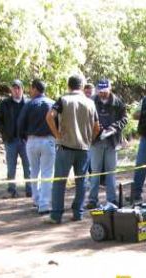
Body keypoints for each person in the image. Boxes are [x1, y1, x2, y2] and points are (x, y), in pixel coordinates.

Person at [45, 74, 99, 223]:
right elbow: (97, 126)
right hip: (84, 148)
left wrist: (57, 134)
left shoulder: (63, 100)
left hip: (65, 146)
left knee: (59, 181)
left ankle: (56, 215)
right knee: (81, 182)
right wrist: (90, 140)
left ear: (69, 86)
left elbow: (49, 116)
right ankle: (78, 213)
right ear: (82, 87)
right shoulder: (90, 103)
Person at [86, 79, 127, 209]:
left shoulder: (118, 102)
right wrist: (96, 127)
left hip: (112, 141)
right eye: (100, 91)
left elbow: (124, 119)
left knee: (111, 172)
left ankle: (111, 199)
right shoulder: (92, 101)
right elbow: (87, 118)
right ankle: (92, 199)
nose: (102, 94)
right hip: (96, 141)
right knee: (95, 172)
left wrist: (114, 127)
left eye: (105, 91)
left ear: (110, 89)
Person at [17, 79, 55, 215]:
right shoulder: (52, 103)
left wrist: (23, 137)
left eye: (31, 88)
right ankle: (44, 204)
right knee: (47, 172)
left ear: (35, 89)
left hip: (32, 140)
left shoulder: (29, 104)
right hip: (49, 140)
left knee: (34, 170)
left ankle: (36, 199)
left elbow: (20, 123)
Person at [0, 79, 31, 198]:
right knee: (11, 166)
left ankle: (29, 189)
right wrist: (4, 132)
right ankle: (11, 189)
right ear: (11, 90)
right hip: (10, 140)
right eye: (14, 88)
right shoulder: (5, 104)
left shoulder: (28, 103)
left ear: (22, 89)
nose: (16, 90)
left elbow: (33, 120)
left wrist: (29, 133)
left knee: (28, 166)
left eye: (18, 88)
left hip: (25, 140)